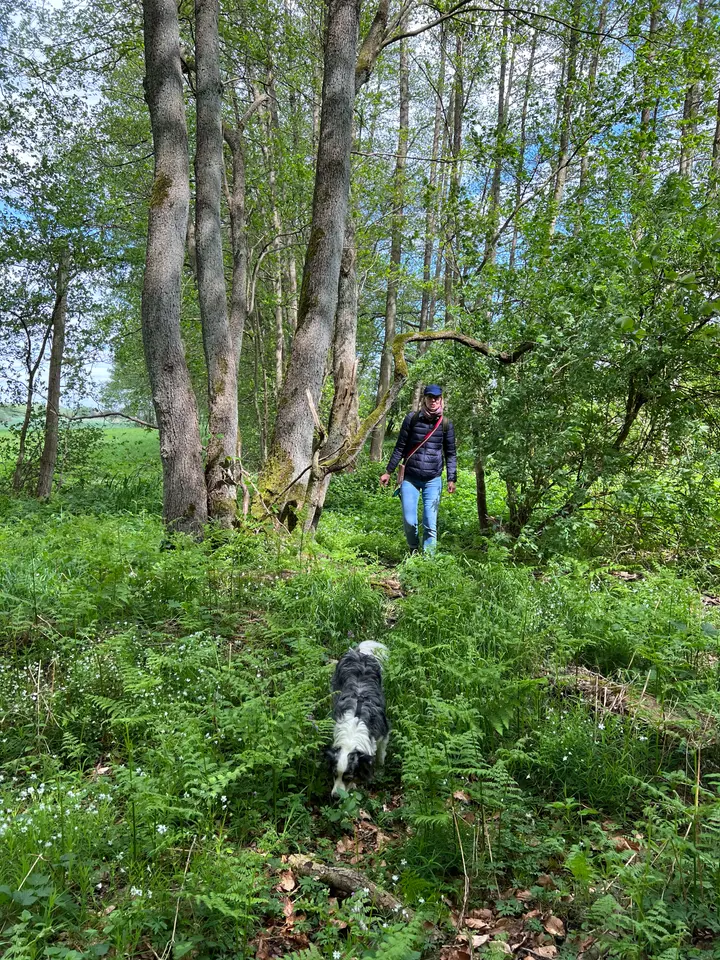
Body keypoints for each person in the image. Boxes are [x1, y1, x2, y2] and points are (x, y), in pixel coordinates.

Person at [380, 385, 457, 554]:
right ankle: (413, 550)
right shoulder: (412, 419)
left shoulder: (446, 424)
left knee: (430, 522)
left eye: (436, 398)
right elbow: (400, 447)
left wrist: (452, 478)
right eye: (430, 397)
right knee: (409, 521)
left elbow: (450, 453)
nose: (433, 401)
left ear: (441, 400)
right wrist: (388, 471)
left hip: (433, 479)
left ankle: (428, 563)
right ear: (424, 399)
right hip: (410, 478)